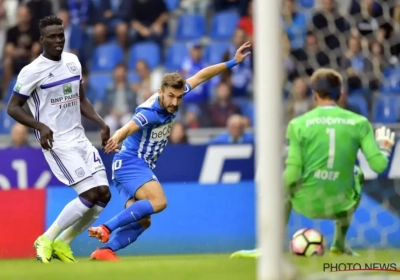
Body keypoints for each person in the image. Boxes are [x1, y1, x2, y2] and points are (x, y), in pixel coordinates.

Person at [87, 41, 252, 261]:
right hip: (130, 161)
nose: (175, 102)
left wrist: (233, 62)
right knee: (159, 202)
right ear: (160, 93)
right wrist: (115, 138)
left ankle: (105, 251)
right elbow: (129, 127)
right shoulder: (151, 112)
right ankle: (106, 228)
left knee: (144, 220)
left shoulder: (176, 93)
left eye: (179, 97)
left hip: (127, 166)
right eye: (170, 97)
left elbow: (202, 75)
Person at [230, 68, 395, 258]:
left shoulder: (299, 124)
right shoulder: (359, 123)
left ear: (314, 94)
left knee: (286, 181)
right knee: (357, 173)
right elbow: (379, 166)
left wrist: (273, 193)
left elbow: (292, 175)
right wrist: (384, 148)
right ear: (340, 95)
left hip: (305, 202)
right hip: (340, 203)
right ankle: (339, 245)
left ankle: (268, 248)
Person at [7, 15, 112, 264]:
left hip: (79, 137)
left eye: (61, 35)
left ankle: (63, 242)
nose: (58, 40)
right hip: (56, 142)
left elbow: (81, 99)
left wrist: (101, 123)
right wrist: (40, 126)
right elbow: (13, 107)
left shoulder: (73, 62)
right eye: (52, 36)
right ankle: (45, 238)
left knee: (104, 195)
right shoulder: (31, 71)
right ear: (41, 39)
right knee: (89, 193)